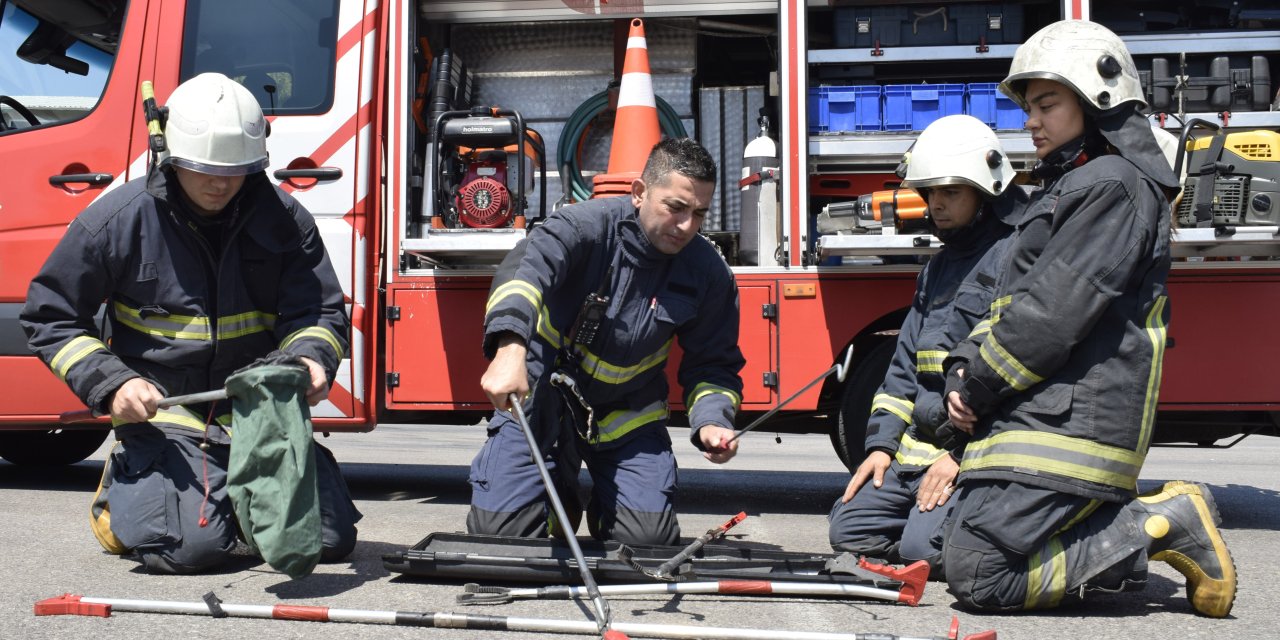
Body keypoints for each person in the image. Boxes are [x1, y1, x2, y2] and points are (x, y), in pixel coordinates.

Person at [939, 21, 1236, 617]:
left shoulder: (1114, 186)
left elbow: (1050, 316)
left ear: (1097, 98)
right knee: (954, 548)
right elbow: (1008, 302)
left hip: (1073, 429)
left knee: (978, 574)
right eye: (1029, 108)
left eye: (1046, 104)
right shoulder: (1075, 187)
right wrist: (960, 368)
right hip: (1040, 417)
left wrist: (979, 385)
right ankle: (1126, 528)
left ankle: (1159, 524)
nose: (1031, 122)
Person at [20, 72, 361, 575]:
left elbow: (321, 312)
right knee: (193, 551)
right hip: (167, 417)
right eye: (204, 169)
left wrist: (312, 357)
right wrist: (114, 383)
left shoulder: (286, 221)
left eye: (236, 170)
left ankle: (239, 500)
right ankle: (125, 489)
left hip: (257, 416)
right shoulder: (119, 221)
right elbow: (51, 316)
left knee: (328, 541)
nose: (220, 183)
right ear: (171, 155)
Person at [468, 137, 745, 547]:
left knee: (646, 541)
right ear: (639, 193)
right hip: (541, 403)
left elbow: (714, 366)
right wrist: (510, 349)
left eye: (700, 213)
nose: (687, 226)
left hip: (626, 416)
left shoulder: (708, 272)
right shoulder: (582, 228)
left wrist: (713, 421)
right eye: (676, 208)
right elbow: (521, 275)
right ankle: (556, 497)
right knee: (500, 537)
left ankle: (611, 504)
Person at [828, 115, 1023, 578]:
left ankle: (952, 534)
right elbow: (900, 374)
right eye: (930, 193)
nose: (936, 204)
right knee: (848, 531)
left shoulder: (1015, 259)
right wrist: (879, 447)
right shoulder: (936, 270)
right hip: (915, 455)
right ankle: (938, 528)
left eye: (950, 192)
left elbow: (1017, 381)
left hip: (970, 455)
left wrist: (960, 458)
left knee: (926, 549)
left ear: (986, 190)